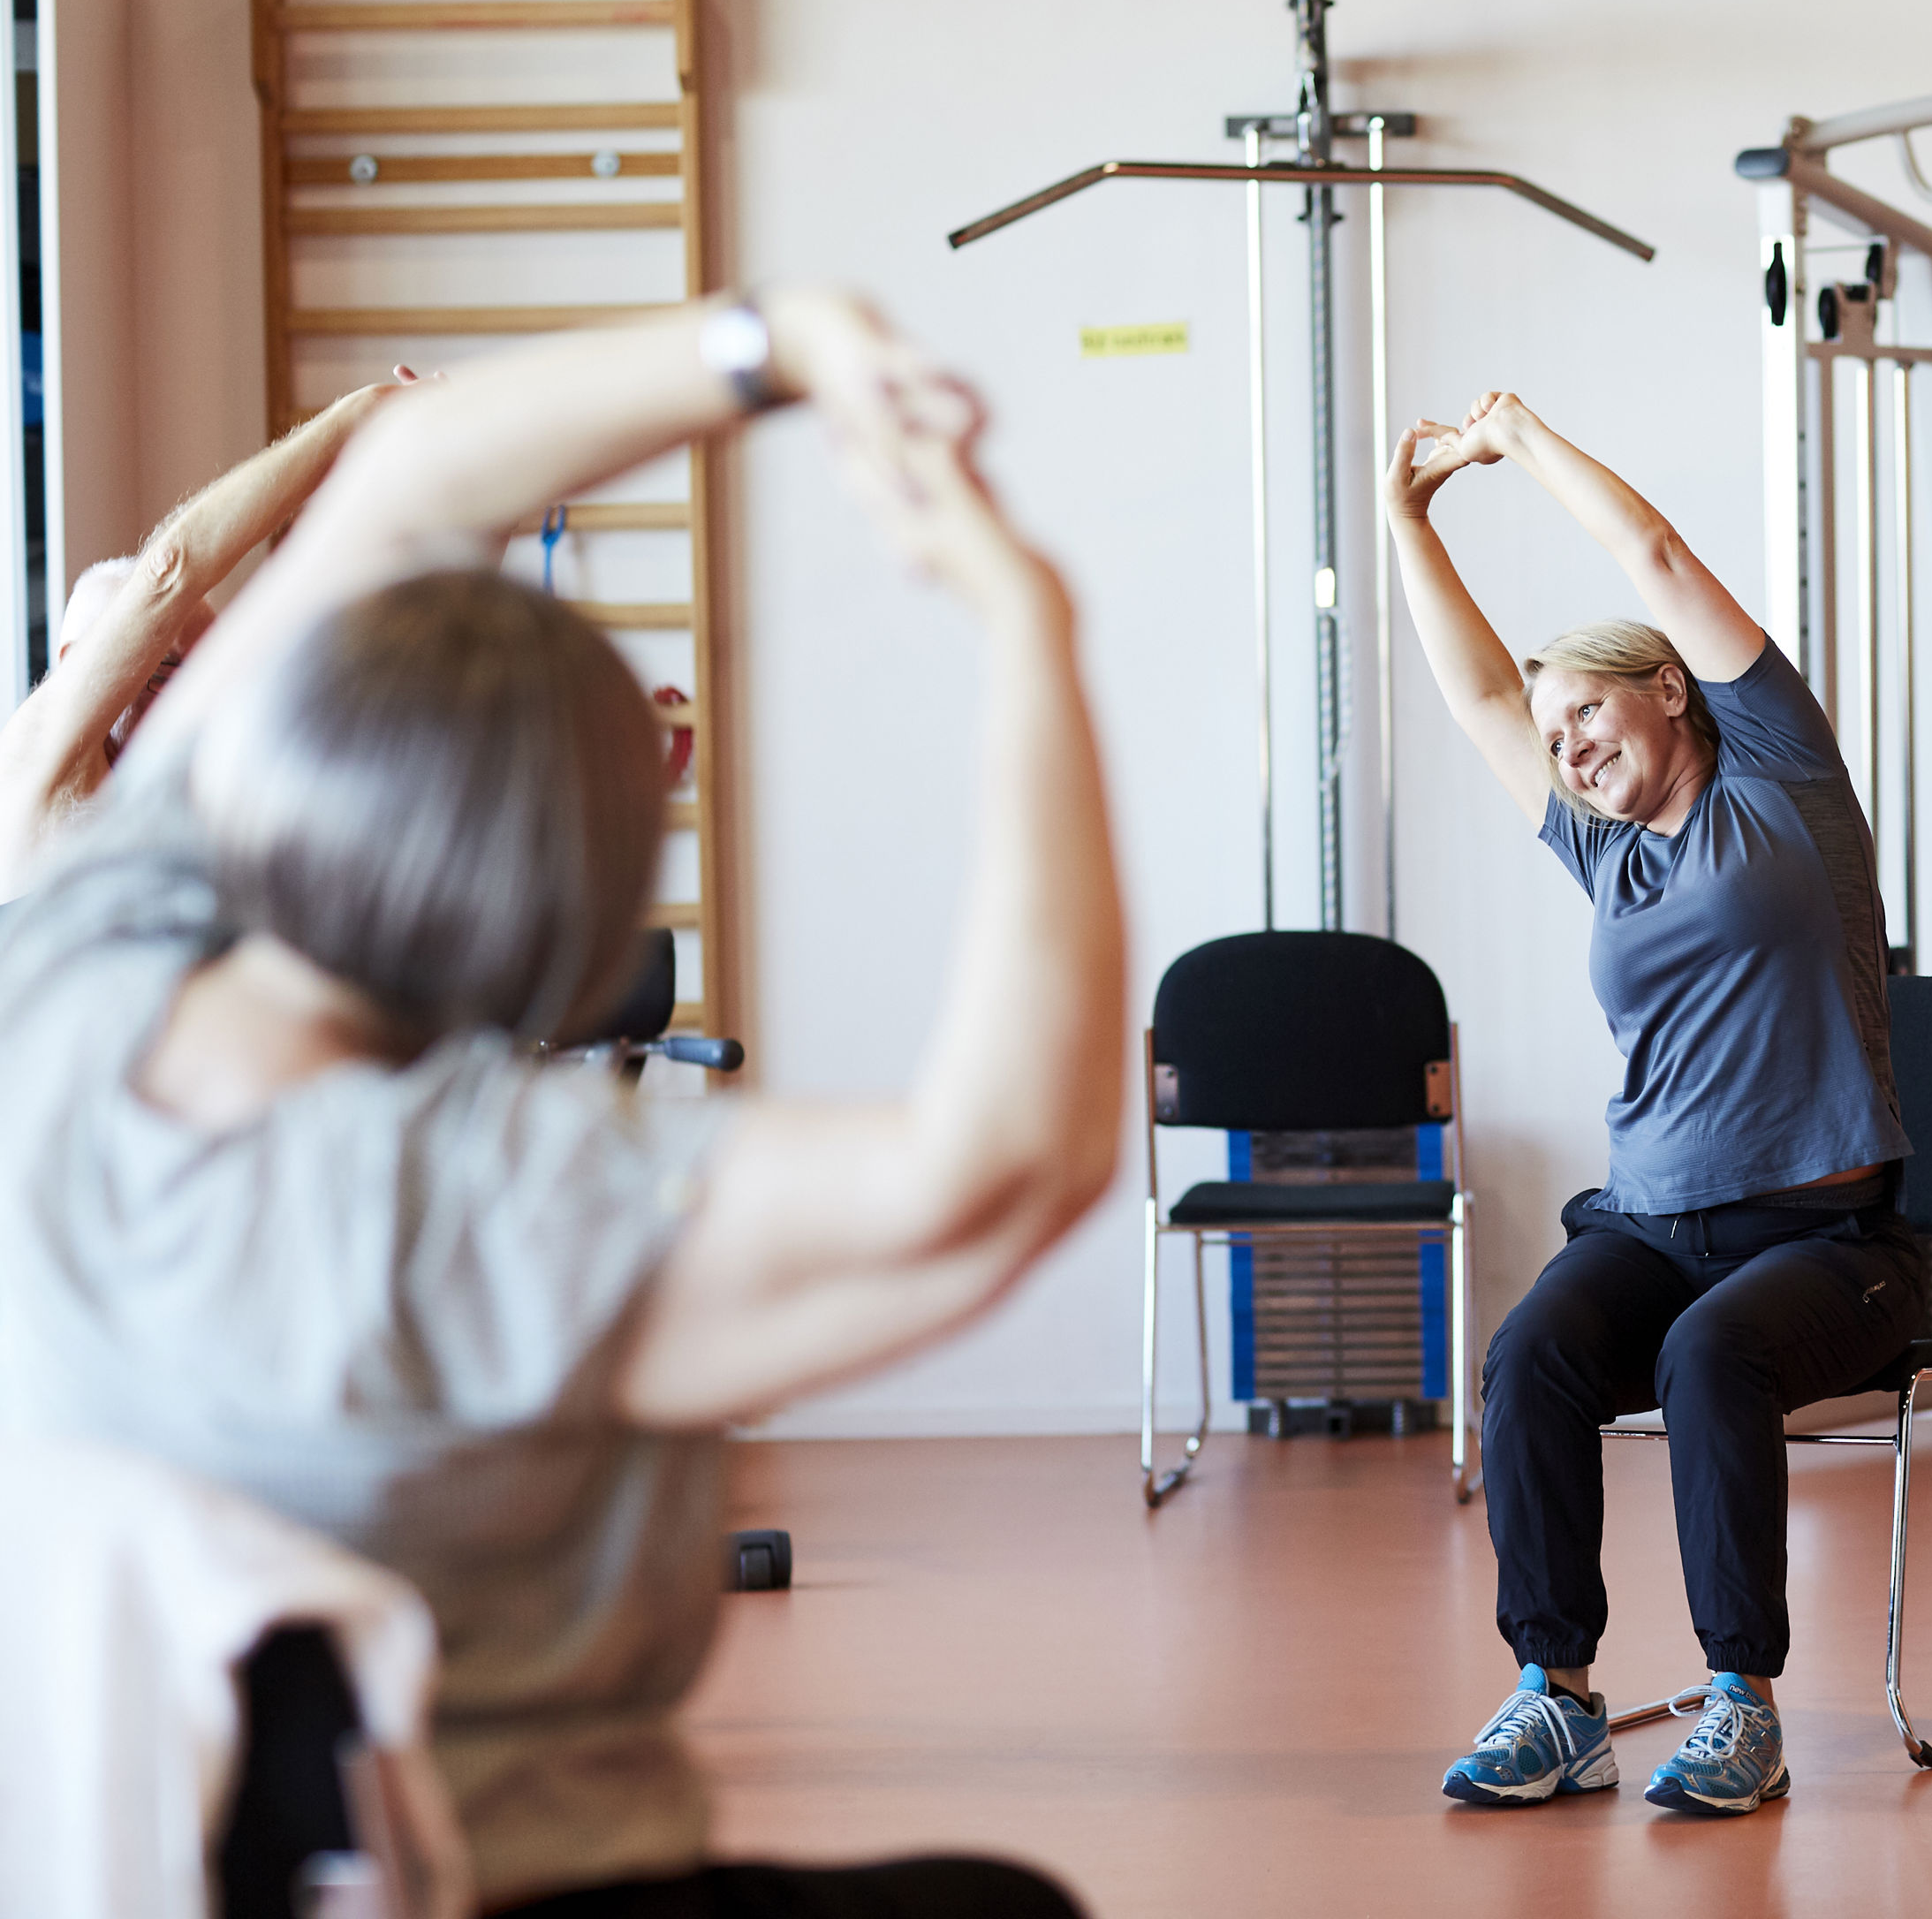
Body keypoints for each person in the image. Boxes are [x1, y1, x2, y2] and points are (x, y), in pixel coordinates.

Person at [0, 294, 1124, 1917]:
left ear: (266, 756)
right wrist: (1029, 629)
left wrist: (776, 341)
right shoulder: (482, 1209)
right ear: (583, 920)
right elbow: (1003, 1166)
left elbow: (408, 484)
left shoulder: (67, 967)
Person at [1383, 390, 1925, 1820]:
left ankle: (1741, 1702)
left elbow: (1664, 559)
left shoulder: (1787, 791)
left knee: (1708, 1358)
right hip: (1653, 1225)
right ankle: (1558, 1698)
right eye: (1553, 731)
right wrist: (1407, 520)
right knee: (1537, 1353)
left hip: (1833, 1249)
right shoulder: (1603, 853)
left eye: (1589, 710)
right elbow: (1481, 698)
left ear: (1672, 691)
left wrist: (1521, 442)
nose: (1562, 745)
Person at [0, 367, 411, 899]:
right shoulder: (35, 758)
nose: (187, 699)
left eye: (204, 671)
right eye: (163, 667)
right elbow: (170, 570)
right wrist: (357, 419)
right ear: (75, 659)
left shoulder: (192, 784)